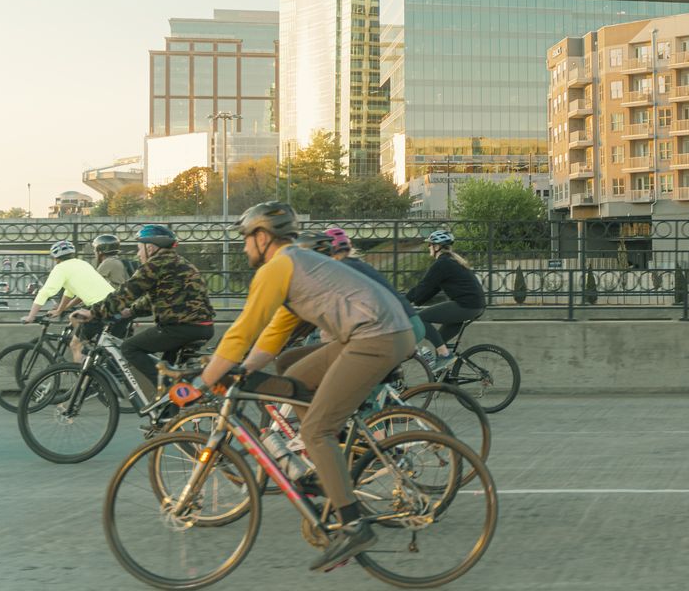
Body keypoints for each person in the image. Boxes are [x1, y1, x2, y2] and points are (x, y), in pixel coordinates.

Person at [190, 201, 416, 570]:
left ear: (263, 237)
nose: (244, 247)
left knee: (316, 429)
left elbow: (242, 330)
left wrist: (202, 381)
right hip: (372, 334)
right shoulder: (293, 265)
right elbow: (273, 332)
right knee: (292, 381)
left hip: (376, 337)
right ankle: (324, 468)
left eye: (246, 239)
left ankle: (353, 525)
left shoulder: (278, 267)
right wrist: (244, 369)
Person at [77, 224, 213, 402]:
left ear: (150, 248)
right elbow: (157, 298)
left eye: (139, 249)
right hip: (201, 326)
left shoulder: (155, 264)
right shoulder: (179, 262)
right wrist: (130, 312)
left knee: (129, 348)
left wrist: (93, 313)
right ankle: (170, 415)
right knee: (166, 367)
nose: (137, 254)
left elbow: (127, 292)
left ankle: (171, 391)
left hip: (180, 327)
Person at [407, 230, 486, 370]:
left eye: (430, 245)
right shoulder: (451, 261)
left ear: (437, 247)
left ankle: (444, 355)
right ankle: (445, 381)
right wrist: (415, 300)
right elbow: (430, 290)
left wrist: (402, 301)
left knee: (420, 319)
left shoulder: (442, 264)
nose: (428, 248)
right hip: (474, 306)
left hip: (466, 305)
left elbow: (423, 286)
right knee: (440, 341)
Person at [24, 240, 117, 355]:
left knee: (75, 345)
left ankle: (86, 369)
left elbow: (45, 292)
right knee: (75, 318)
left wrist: (31, 316)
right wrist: (60, 310)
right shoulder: (82, 263)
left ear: (56, 258)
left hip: (100, 306)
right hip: (116, 301)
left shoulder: (60, 268)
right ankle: (90, 349)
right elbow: (70, 293)